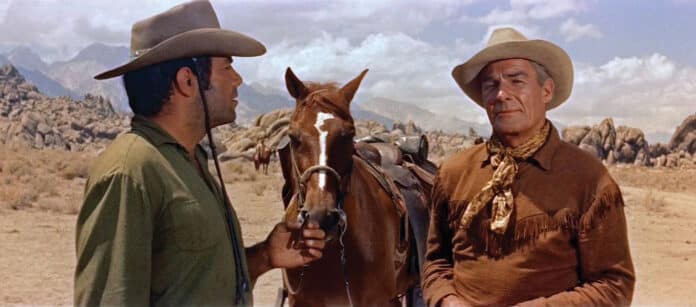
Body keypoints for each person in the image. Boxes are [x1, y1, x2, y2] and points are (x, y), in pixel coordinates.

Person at [74, 1, 325, 306]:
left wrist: (265, 255)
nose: (238, 80)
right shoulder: (130, 171)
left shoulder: (190, 159)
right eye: (227, 67)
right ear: (188, 81)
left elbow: (192, 280)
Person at [421, 27, 635, 306]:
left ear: (546, 91)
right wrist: (447, 300)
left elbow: (614, 285)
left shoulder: (589, 179)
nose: (501, 94)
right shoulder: (453, 172)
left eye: (516, 81)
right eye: (491, 84)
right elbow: (436, 264)